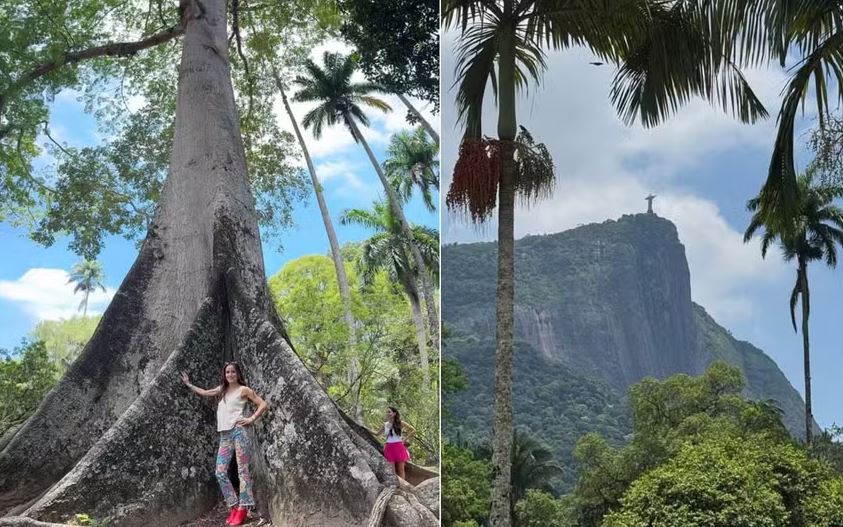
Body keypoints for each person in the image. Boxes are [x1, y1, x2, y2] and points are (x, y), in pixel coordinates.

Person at [181, 361, 268, 526]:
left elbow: (262, 404)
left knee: (243, 471)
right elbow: (205, 392)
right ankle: (234, 506)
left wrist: (250, 419)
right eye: (227, 372)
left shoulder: (244, 390)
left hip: (238, 432)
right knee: (220, 472)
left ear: (238, 374)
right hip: (225, 436)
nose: (230, 375)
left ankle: (244, 508)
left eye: (233, 372)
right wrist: (189, 384)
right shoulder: (222, 389)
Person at [372, 406, 415, 481]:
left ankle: (404, 486)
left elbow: (413, 430)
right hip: (389, 447)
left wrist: (404, 439)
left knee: (401, 469)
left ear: (394, 413)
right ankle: (397, 486)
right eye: (387, 412)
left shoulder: (400, 423)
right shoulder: (385, 424)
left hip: (398, 446)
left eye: (389, 412)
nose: (388, 413)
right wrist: (364, 428)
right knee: (392, 471)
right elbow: (377, 434)